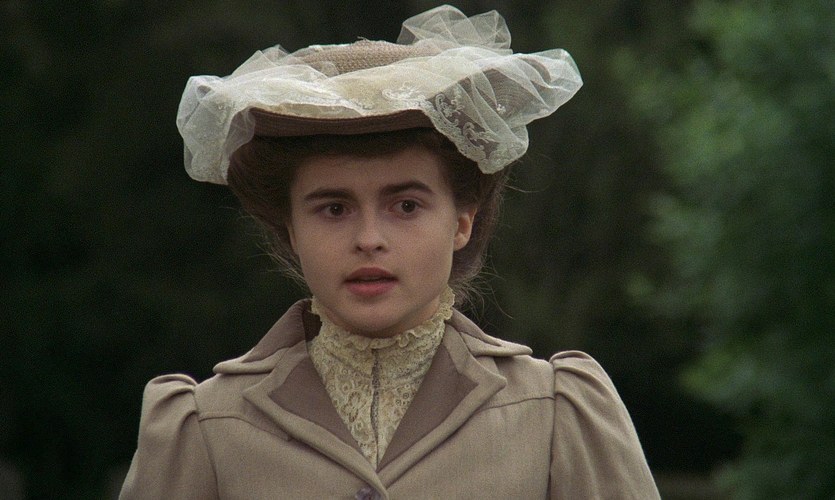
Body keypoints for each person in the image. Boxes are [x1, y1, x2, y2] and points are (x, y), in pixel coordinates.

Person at [120, 5, 660, 499]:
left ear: (462, 222)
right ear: (291, 229)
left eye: (405, 206)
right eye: (334, 209)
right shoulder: (205, 425)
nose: (369, 238)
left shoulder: (555, 411)